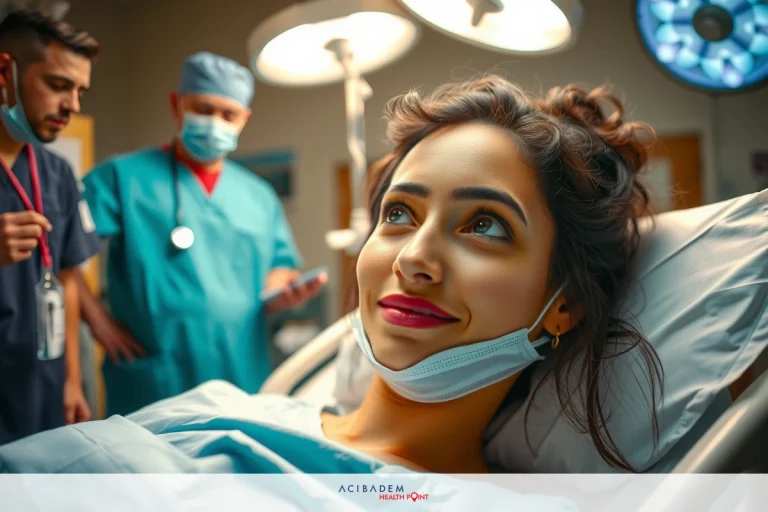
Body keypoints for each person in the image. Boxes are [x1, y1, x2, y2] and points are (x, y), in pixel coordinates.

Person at [0, 76, 660, 477]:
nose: (411, 259)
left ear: (565, 302)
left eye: (484, 225)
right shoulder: (225, 407)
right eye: (399, 213)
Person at [77, 51, 325, 417]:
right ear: (177, 105)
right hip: (156, 376)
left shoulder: (258, 196)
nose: (215, 123)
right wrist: (100, 324)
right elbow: (59, 253)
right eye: (204, 109)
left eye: (228, 114)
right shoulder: (121, 177)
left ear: (245, 119)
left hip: (239, 371)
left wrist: (284, 292)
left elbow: (279, 266)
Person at [0, 10, 100, 444]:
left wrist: (71, 380)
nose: (73, 106)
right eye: (59, 85)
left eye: (79, 91)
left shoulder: (58, 173)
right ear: (4, 71)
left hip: (44, 386)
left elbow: (67, 278)